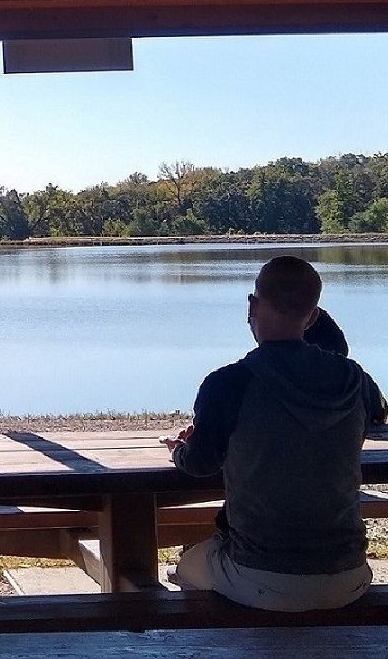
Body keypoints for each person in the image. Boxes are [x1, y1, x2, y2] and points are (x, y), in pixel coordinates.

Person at [163, 255, 386, 611]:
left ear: (252, 306)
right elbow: (377, 414)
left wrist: (179, 450)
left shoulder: (228, 383)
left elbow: (200, 464)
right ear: (313, 316)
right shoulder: (355, 379)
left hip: (262, 575)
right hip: (350, 574)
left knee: (188, 564)